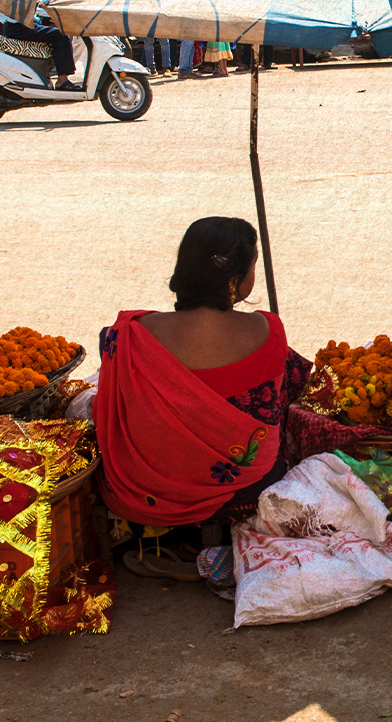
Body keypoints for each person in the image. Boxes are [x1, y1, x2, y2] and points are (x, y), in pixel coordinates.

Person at [94, 216, 310, 578]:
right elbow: (282, 398)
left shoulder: (128, 335)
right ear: (236, 278)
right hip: (242, 492)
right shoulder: (266, 330)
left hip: (140, 490)